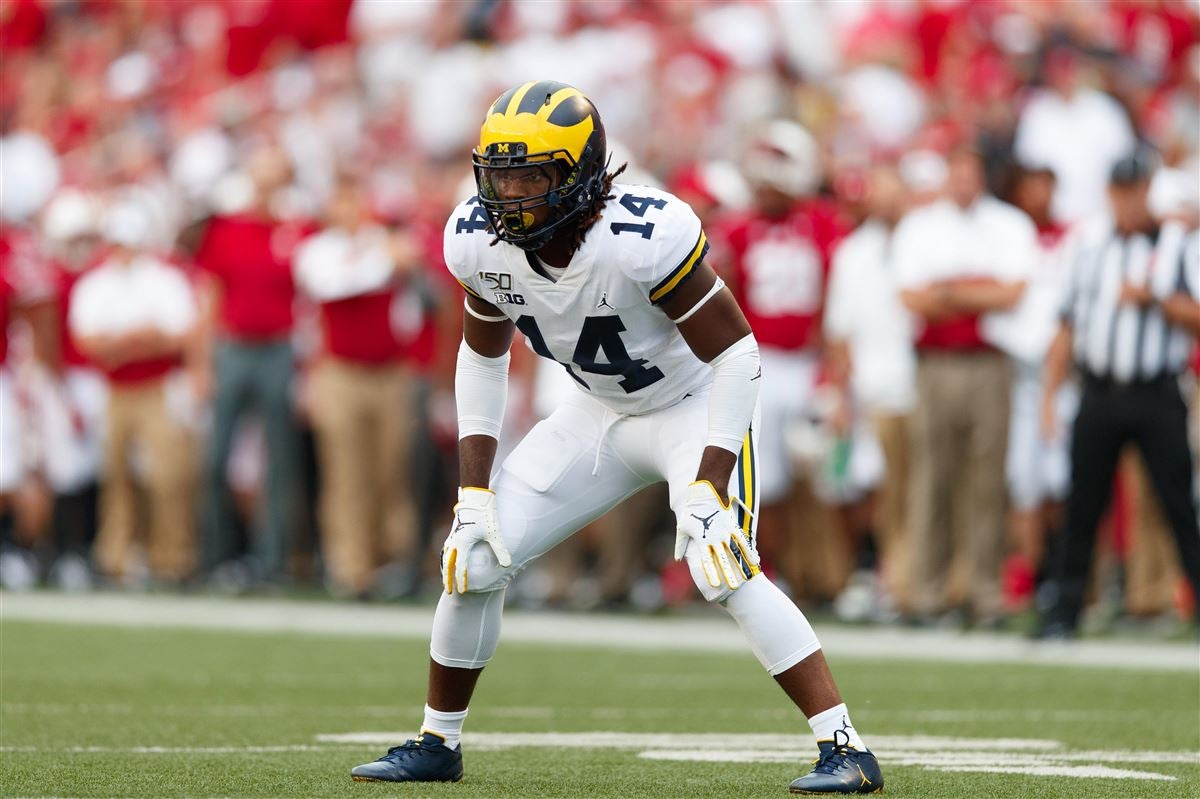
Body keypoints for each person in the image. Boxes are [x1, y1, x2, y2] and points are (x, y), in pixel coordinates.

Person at [349, 81, 884, 795]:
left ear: (579, 176)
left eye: (529, 177)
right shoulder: (478, 241)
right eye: (498, 175)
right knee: (475, 556)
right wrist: (473, 490)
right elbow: (481, 356)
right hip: (593, 411)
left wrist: (710, 480)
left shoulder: (644, 236)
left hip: (692, 407)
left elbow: (737, 356)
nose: (507, 197)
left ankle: (844, 745)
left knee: (719, 560)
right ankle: (436, 740)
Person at [1039, 149, 1200, 638]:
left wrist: (1155, 299)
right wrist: (1050, 394)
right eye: (1122, 190)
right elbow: (1066, 323)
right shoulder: (1088, 247)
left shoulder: (1178, 246)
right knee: (1082, 506)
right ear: (1110, 194)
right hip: (1100, 392)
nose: (1130, 201)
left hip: (1156, 392)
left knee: (1179, 504)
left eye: (1137, 190)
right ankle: (1064, 613)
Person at [893, 146, 1036, 627]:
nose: (961, 180)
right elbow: (912, 296)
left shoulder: (1008, 225)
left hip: (989, 362)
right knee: (932, 477)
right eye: (954, 170)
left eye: (968, 171)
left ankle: (984, 591)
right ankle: (927, 592)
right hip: (936, 362)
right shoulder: (921, 225)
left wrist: (951, 292)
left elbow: (1014, 292)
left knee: (986, 479)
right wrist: (978, 291)